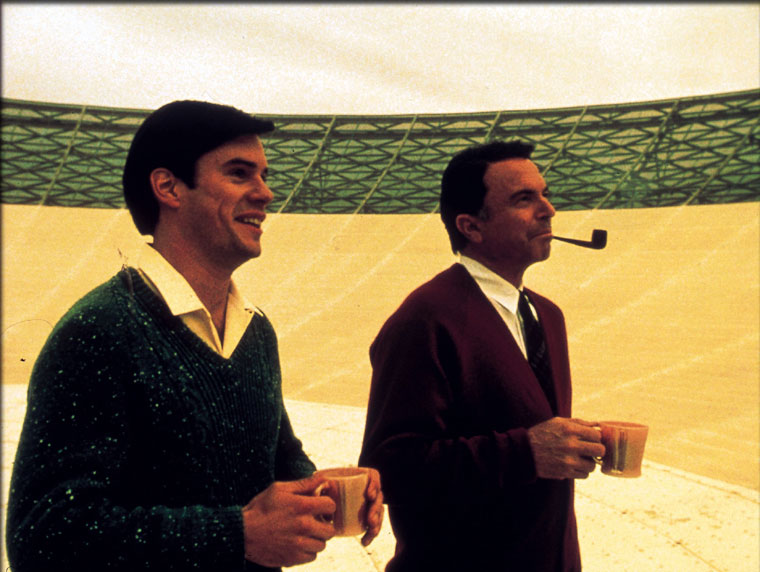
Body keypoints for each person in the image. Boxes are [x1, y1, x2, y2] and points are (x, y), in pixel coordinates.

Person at [6, 100, 383, 572]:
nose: (266, 193)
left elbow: (278, 460)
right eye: (239, 173)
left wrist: (324, 492)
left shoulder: (255, 331)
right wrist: (237, 534)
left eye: (264, 176)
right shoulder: (99, 331)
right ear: (168, 187)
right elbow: (42, 536)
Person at [358, 140, 605, 571]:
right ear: (471, 226)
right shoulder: (425, 318)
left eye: (545, 194)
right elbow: (390, 468)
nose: (548, 210)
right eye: (524, 199)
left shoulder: (547, 315)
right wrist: (526, 452)